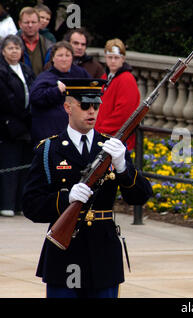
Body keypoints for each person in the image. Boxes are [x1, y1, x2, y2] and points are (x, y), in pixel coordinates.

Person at [22, 78, 153, 298]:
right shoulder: (49, 150)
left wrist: (122, 167)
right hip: (65, 253)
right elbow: (31, 204)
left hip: (103, 253)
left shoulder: (111, 147)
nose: (91, 111)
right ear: (67, 107)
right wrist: (66, 199)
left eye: (96, 106)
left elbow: (140, 196)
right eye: (84, 106)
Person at [29, 40, 90, 146]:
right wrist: (56, 91)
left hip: (76, 132)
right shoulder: (45, 77)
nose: (64, 59)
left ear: (72, 57)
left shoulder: (81, 73)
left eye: (67, 55)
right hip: (50, 134)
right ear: (53, 58)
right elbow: (35, 98)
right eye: (60, 55)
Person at [0, 35, 35, 217]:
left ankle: (20, 203)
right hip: (8, 125)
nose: (14, 51)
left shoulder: (26, 69)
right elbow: (6, 97)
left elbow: (32, 90)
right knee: (10, 164)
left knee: (24, 165)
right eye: (10, 48)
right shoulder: (2, 70)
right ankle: (6, 203)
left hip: (26, 124)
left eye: (17, 48)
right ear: (3, 51)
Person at [95, 38, 140, 151]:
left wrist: (101, 130)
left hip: (114, 140)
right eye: (110, 57)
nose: (113, 61)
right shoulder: (106, 77)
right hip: (104, 137)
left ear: (123, 59)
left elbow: (124, 114)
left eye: (116, 58)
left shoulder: (126, 79)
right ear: (106, 58)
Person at [17, 7, 53, 76]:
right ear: (20, 24)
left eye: (33, 22)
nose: (30, 25)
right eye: (26, 22)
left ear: (39, 23)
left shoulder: (49, 46)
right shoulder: (12, 46)